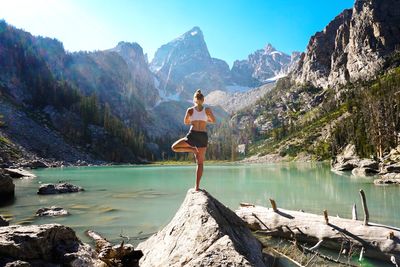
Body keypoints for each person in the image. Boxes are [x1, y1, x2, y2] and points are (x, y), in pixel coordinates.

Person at [171, 89, 216, 191]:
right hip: (203, 136)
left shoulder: (190, 110)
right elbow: (213, 120)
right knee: (200, 163)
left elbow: (186, 122)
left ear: (195, 100)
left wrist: (193, 119)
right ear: (203, 100)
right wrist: (205, 119)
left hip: (193, 135)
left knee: (174, 147)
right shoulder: (207, 110)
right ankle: (197, 187)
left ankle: (191, 150)